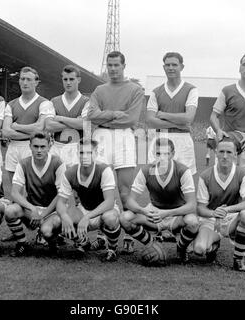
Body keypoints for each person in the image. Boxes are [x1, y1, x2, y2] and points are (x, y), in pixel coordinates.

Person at [87, 51, 145, 253]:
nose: (112, 69)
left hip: (124, 137)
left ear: (123, 66)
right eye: (109, 65)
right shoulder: (99, 89)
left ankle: (129, 233)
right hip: (101, 137)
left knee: (124, 190)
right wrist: (112, 114)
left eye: (116, 65)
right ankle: (104, 235)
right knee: (102, 188)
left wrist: (104, 117)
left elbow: (131, 119)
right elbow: (91, 116)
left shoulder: (135, 89)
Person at [145, 52, 199, 243]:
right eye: (167, 64)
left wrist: (162, 114)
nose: (170, 67)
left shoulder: (191, 89)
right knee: (160, 183)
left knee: (183, 184)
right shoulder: (156, 91)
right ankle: (161, 226)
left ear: (182, 66)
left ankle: (178, 226)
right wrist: (177, 117)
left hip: (183, 140)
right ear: (163, 67)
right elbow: (150, 120)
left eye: (174, 64)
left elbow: (189, 119)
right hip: (161, 138)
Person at [120, 138, 199, 264]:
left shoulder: (183, 171)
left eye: (166, 154)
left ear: (172, 154)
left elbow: (191, 205)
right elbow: (129, 201)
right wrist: (143, 211)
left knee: (192, 222)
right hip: (154, 212)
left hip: (176, 214)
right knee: (125, 218)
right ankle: (151, 243)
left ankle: (181, 248)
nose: (162, 157)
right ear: (153, 154)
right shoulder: (146, 170)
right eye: (158, 153)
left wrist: (167, 214)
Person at [193, 137, 245, 271]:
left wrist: (228, 210)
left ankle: (238, 259)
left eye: (229, 152)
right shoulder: (205, 176)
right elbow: (200, 209)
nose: (225, 156)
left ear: (235, 154)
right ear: (216, 152)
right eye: (221, 151)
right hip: (211, 220)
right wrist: (214, 213)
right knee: (199, 250)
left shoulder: (243, 174)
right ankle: (214, 245)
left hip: (232, 220)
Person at [55, 139, 121, 261]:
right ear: (77, 153)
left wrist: (87, 217)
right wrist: (64, 216)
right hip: (84, 209)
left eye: (89, 153)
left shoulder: (104, 170)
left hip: (103, 211)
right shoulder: (70, 172)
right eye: (81, 153)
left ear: (96, 153)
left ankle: (112, 248)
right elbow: (60, 201)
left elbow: (109, 202)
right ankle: (82, 242)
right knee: (59, 220)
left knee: (110, 218)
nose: (85, 156)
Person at [3, 132, 66, 257]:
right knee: (10, 210)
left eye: (43, 147)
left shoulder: (58, 163)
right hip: (33, 209)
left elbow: (61, 194)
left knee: (47, 231)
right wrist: (32, 208)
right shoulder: (23, 163)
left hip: (53, 210)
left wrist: (43, 214)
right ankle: (22, 243)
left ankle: (53, 242)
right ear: (30, 146)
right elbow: (15, 193)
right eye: (35, 146)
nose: (39, 150)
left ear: (50, 146)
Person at [2, 66, 55, 183]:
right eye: (22, 79)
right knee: (15, 188)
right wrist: (31, 132)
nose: (25, 82)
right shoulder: (11, 104)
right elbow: (5, 132)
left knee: (35, 188)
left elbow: (39, 128)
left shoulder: (45, 103)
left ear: (36, 82)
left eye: (29, 79)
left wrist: (16, 127)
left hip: (34, 147)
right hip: (13, 148)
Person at [46, 65, 90, 166]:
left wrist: (60, 118)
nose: (68, 82)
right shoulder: (54, 101)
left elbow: (85, 125)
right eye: (65, 79)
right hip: (57, 148)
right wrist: (75, 122)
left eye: (71, 79)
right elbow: (49, 126)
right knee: (56, 181)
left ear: (78, 80)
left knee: (75, 181)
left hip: (78, 148)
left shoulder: (87, 101)